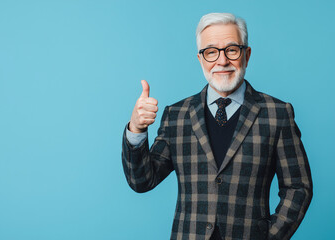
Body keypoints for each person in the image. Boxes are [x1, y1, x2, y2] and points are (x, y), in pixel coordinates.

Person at [121, 13, 312, 240]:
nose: (222, 61)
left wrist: (269, 236)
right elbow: (142, 181)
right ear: (200, 58)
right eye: (211, 52)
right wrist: (136, 129)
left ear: (247, 55)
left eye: (232, 49)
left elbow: (298, 187)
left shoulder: (277, 114)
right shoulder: (177, 115)